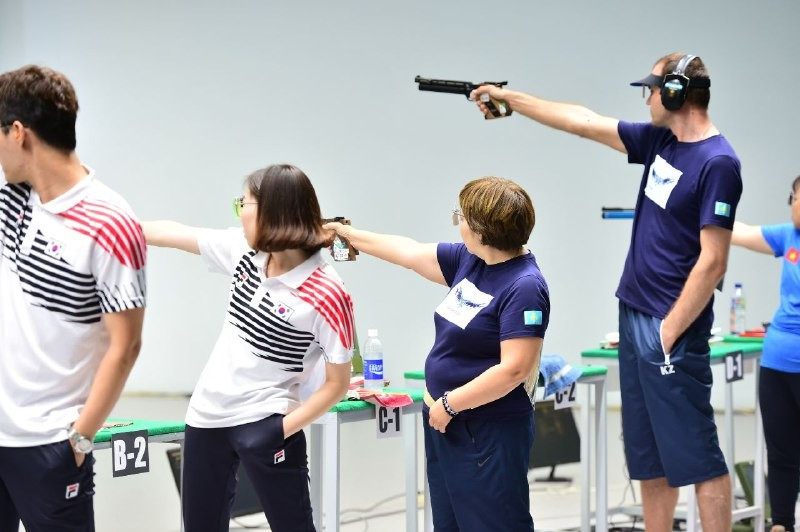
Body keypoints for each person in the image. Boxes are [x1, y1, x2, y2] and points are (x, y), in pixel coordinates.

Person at [473, 52, 742, 531]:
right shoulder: (662, 140)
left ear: (676, 93)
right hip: (634, 312)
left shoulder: (718, 162)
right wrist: (509, 98)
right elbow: (584, 121)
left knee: (698, 453)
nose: (647, 97)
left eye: (652, 89)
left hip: (667, 326)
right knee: (648, 454)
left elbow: (714, 259)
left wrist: (671, 328)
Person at [326, 176, 549, 531]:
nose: (457, 222)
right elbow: (409, 252)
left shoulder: (524, 286)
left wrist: (450, 404)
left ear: (481, 229)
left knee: (494, 523)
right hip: (448, 423)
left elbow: (514, 370)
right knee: (451, 524)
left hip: (487, 430)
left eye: (460, 217)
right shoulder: (472, 261)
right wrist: (344, 234)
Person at [143, 163, 353, 532]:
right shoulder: (245, 253)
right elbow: (174, 233)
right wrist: (111, 228)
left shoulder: (327, 292)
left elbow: (338, 382)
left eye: (245, 204)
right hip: (207, 416)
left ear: (274, 212)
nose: (240, 215)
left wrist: (283, 429)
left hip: (266, 422)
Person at [0, 65, 146, 531]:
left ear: (19, 133)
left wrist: (80, 439)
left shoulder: (110, 221)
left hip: (50, 444)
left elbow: (126, 346)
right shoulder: (12, 200)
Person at [731, 176, 800, 532]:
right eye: (795, 197)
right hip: (777, 361)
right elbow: (738, 231)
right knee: (782, 451)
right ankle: (781, 523)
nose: (795, 205)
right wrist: (703, 209)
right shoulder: (789, 236)